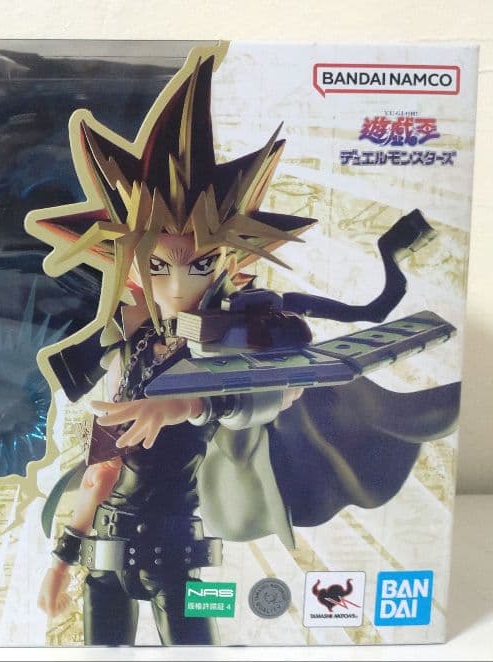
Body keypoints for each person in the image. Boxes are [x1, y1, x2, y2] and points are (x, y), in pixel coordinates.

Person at [27, 53, 459, 646]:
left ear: (228, 258)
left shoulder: (237, 333)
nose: (178, 285)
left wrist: (186, 405)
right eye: (158, 265)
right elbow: (100, 471)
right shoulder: (131, 343)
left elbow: (274, 392)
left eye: (200, 264)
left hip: (177, 551)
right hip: (105, 552)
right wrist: (61, 560)